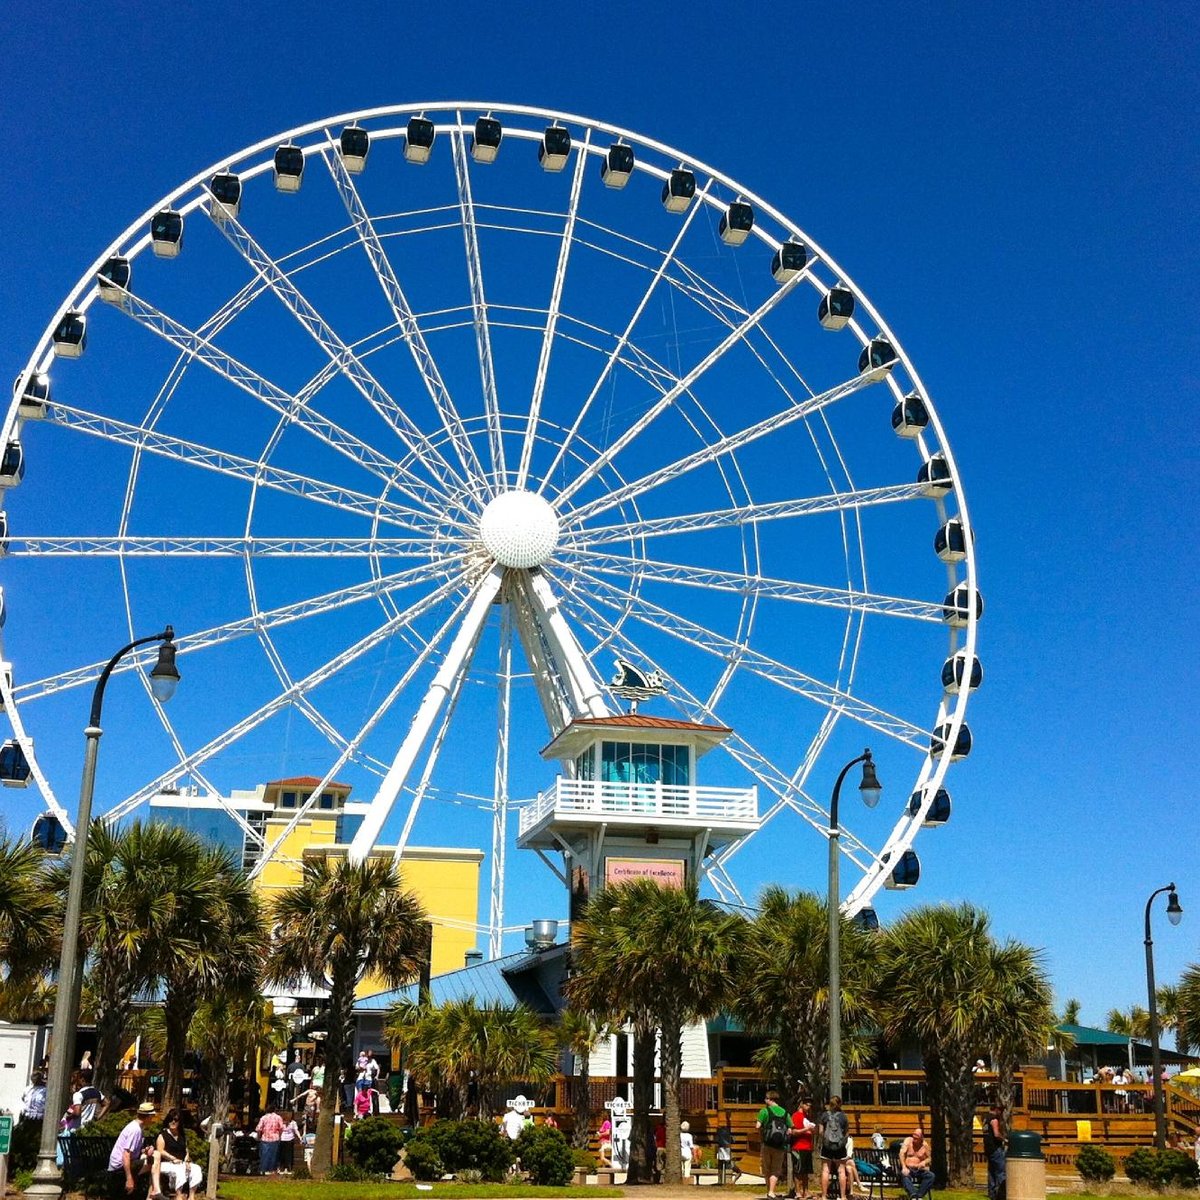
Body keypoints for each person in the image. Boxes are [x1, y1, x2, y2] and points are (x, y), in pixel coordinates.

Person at [106, 1102, 156, 1199]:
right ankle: (153, 1193)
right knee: (156, 1157)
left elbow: (133, 1152)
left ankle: (151, 1191)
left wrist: (145, 1151)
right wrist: (129, 1178)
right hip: (119, 1167)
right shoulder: (135, 1130)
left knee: (153, 1157)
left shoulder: (137, 1127)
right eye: (152, 1116)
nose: (152, 1119)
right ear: (148, 1116)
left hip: (127, 1162)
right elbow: (126, 1154)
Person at [151, 1107, 202, 1200]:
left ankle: (191, 1196)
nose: (173, 1122)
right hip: (166, 1163)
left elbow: (185, 1150)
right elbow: (160, 1151)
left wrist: (187, 1161)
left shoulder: (181, 1135)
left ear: (179, 1122)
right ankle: (178, 1195)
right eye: (171, 1119)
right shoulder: (163, 1135)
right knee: (179, 1171)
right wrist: (172, 1158)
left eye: (176, 1120)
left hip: (181, 1162)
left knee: (196, 1169)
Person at [757, 1088, 792, 1200]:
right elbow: (790, 1129)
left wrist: (762, 1134)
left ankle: (770, 1192)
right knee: (776, 1169)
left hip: (767, 1144)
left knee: (767, 1168)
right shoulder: (785, 1112)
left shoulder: (764, 1111)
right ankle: (771, 1192)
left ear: (769, 1099)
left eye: (766, 1098)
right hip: (780, 1146)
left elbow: (757, 1126)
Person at [818, 1096, 850, 1200]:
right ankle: (843, 1196)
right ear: (840, 1104)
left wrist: (825, 1141)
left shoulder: (824, 1115)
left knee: (825, 1170)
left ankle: (823, 1196)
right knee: (841, 1171)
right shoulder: (843, 1117)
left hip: (827, 1146)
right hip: (840, 1146)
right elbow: (846, 1132)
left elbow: (821, 1131)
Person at [899, 1127, 935, 1200]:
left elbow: (929, 1158)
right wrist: (904, 1167)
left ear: (921, 1138)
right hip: (907, 1168)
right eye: (913, 1136)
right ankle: (913, 1195)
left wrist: (924, 1162)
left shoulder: (925, 1146)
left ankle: (919, 1196)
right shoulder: (908, 1141)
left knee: (931, 1176)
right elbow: (901, 1154)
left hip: (919, 1169)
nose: (914, 1139)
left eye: (916, 1138)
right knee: (905, 1175)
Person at [790, 1100, 815, 1200]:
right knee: (798, 1171)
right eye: (806, 1104)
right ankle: (798, 1191)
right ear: (801, 1104)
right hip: (798, 1147)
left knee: (806, 1171)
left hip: (807, 1147)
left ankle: (806, 1191)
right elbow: (794, 1132)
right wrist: (806, 1129)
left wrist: (812, 1129)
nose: (808, 1106)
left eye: (810, 1105)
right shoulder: (796, 1116)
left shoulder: (807, 1116)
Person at [255, 1106, 285, 1174]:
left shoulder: (263, 1117)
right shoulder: (278, 1117)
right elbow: (281, 1128)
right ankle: (272, 1170)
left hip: (265, 1138)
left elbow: (259, 1128)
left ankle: (263, 1169)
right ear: (274, 1110)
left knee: (264, 1155)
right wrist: (280, 1136)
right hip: (275, 1138)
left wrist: (259, 1137)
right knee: (274, 1155)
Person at [985, 1106, 1006, 1200]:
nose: (1001, 1113)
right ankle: (1002, 1194)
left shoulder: (985, 1119)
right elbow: (996, 1134)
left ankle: (992, 1193)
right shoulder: (994, 1119)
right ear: (996, 1109)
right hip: (995, 1148)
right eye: (1000, 1111)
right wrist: (1004, 1139)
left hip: (988, 1148)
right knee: (1000, 1171)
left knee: (991, 1172)